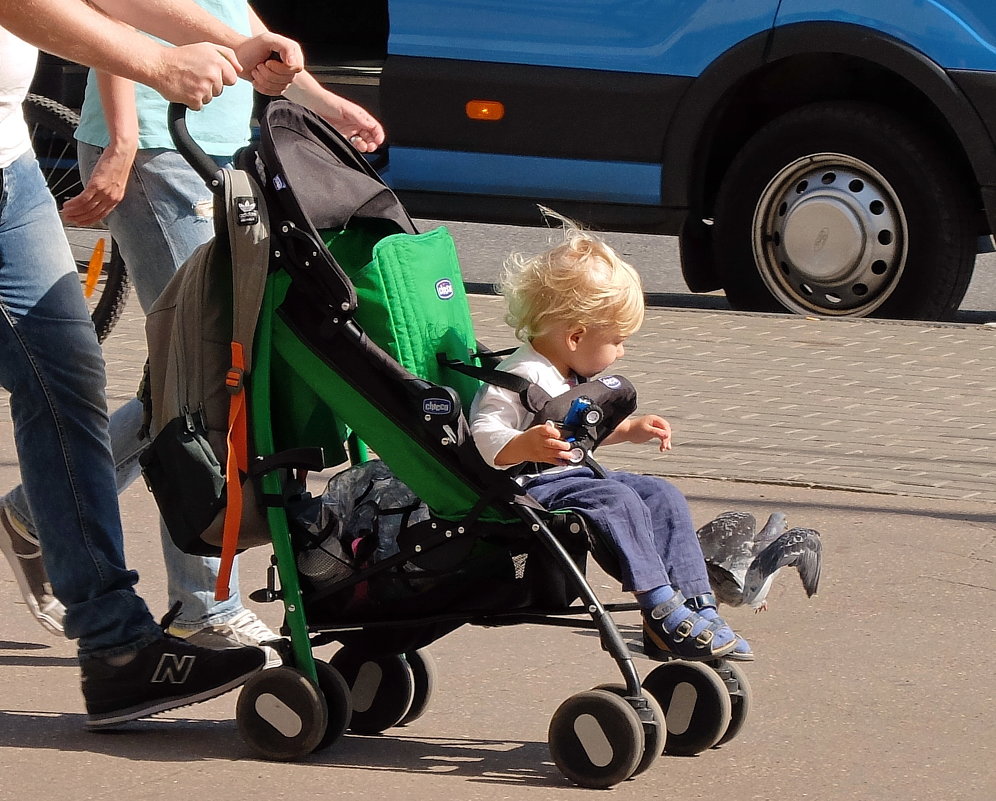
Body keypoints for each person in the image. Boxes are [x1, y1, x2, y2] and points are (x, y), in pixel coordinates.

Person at [3, 2, 384, 662]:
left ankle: (68, 554)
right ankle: (203, 602)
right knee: (208, 372)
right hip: (157, 141)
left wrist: (304, 90)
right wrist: (125, 128)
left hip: (176, 139)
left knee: (176, 376)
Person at [469, 214, 752, 661]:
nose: (620, 352)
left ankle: (698, 601)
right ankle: (660, 606)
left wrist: (628, 430)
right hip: (531, 485)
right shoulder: (520, 376)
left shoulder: (568, 370)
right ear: (576, 335)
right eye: (617, 341)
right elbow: (483, 432)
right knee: (618, 501)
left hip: (569, 475)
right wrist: (522, 445)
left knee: (661, 494)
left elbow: (582, 429)